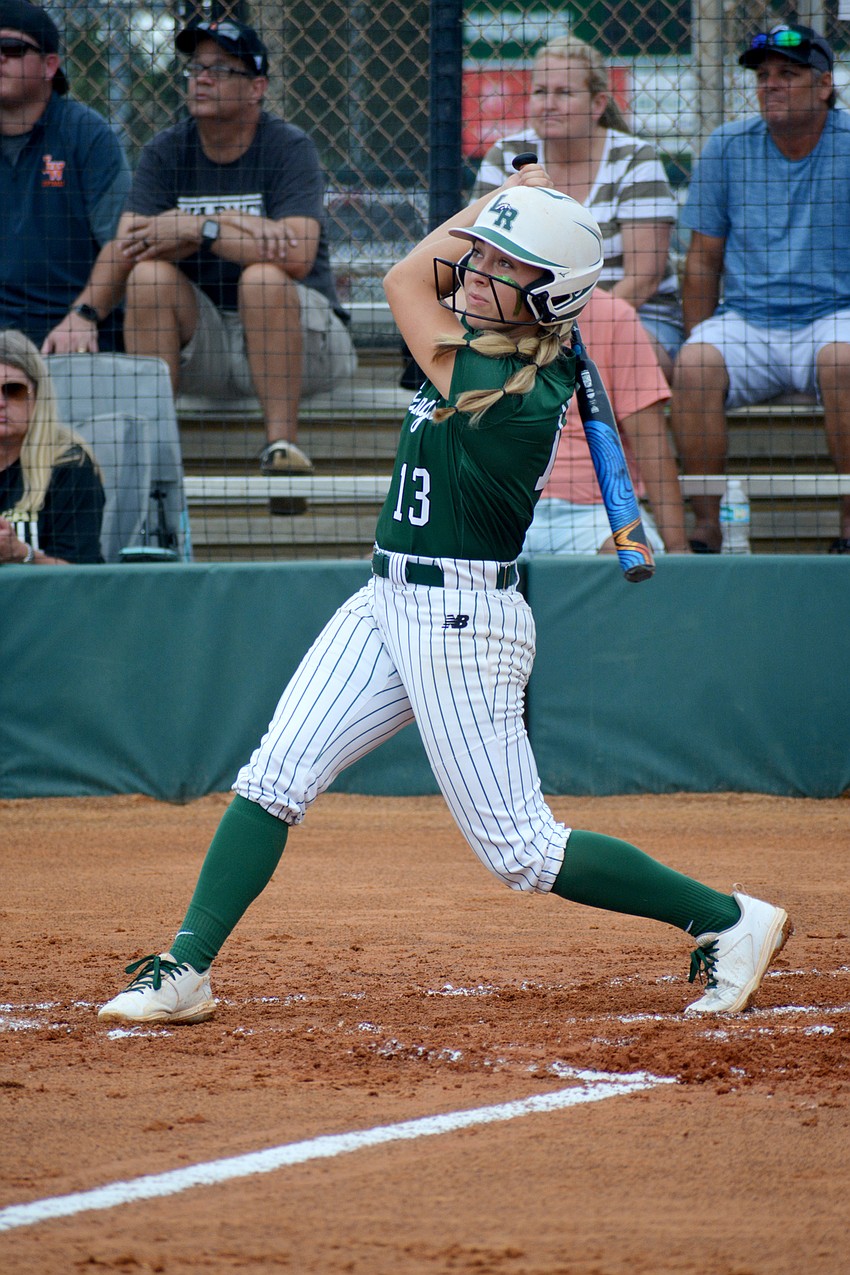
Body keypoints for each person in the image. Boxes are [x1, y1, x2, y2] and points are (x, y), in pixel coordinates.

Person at [97, 169, 790, 1028]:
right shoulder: (498, 340)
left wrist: (492, 205)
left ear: (550, 300)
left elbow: (402, 276)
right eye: (488, 257)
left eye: (503, 266)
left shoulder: (513, 394)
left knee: (524, 852)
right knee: (275, 776)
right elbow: (442, 272)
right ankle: (185, 967)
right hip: (386, 595)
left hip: (462, 622)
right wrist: (502, 213)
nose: (477, 269)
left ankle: (728, 919)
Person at [45, 17, 356, 477]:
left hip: (303, 346)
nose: (202, 77)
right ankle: (152, 463)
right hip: (204, 345)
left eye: (222, 69)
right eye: (196, 68)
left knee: (264, 277)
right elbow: (130, 243)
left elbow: (295, 256)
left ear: (257, 88)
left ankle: (282, 448)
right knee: (148, 275)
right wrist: (85, 312)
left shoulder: (289, 148)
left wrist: (198, 227)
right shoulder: (166, 150)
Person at [672, 23, 850, 554]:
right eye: (763, 75)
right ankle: (707, 524)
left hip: (836, 315)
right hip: (748, 317)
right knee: (695, 364)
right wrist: (698, 336)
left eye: (788, 74)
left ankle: (848, 523)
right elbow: (702, 262)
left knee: (844, 362)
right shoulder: (728, 146)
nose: (770, 84)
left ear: (824, 86)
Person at [472, 34, 682, 378]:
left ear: (598, 104)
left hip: (636, 317)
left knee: (583, 365)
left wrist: (558, 335)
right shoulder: (506, 155)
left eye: (564, 93)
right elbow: (479, 254)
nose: (548, 104)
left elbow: (643, 280)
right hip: (521, 319)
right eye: (541, 91)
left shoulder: (635, 159)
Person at [0, 0, 129, 352]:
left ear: (49, 65)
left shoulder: (87, 134)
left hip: (72, 330)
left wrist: (83, 314)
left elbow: (123, 243)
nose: (0, 58)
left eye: (10, 48)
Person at [522, 288, 689, 556]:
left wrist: (679, 549)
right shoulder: (485, 312)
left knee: (630, 555)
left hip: (597, 513)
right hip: (507, 503)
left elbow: (651, 447)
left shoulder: (615, 315)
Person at [0, 327, 104, 564]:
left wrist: (21, 554)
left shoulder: (70, 465)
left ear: (38, 395)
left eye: (13, 390)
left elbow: (83, 576)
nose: (1, 403)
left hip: (48, 599)